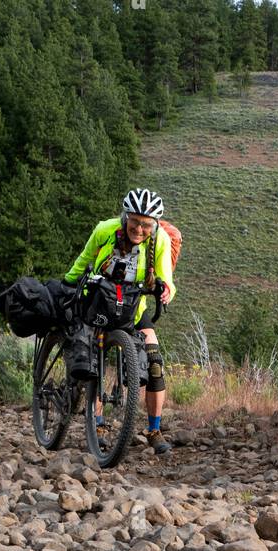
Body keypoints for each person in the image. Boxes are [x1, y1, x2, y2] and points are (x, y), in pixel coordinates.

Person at [64, 188, 175, 455]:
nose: (139, 228)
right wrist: (67, 286)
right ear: (125, 217)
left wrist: (165, 290)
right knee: (92, 359)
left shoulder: (159, 241)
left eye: (146, 224)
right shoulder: (105, 230)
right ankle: (98, 424)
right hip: (98, 303)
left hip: (133, 309)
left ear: (154, 225)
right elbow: (83, 262)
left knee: (155, 361)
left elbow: (167, 278)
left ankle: (154, 429)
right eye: (134, 221)